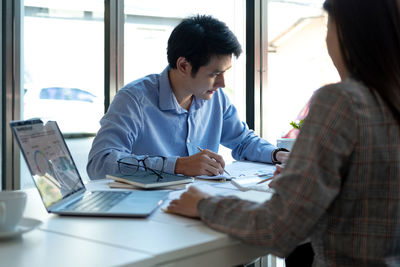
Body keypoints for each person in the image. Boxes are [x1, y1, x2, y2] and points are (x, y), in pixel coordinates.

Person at [166, 0, 400, 266]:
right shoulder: (388, 100)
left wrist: (203, 205)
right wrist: (303, 179)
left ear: (347, 33)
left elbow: (277, 226)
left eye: (328, 27)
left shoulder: (342, 102)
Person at [87, 15, 289, 180]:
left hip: (197, 202)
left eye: (225, 72)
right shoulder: (134, 100)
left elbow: (243, 141)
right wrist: (177, 165)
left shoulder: (215, 98)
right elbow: (100, 163)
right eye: (214, 74)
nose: (222, 84)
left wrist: (277, 155)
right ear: (184, 65)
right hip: (146, 211)